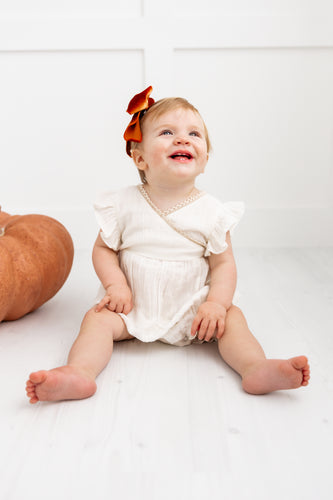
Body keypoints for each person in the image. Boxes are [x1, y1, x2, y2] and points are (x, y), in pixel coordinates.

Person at [25, 86, 310, 403]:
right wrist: (116, 285)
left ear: (203, 161)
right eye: (167, 132)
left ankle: (255, 367)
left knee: (233, 320)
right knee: (96, 320)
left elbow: (224, 264)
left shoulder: (213, 212)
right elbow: (104, 249)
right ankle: (79, 372)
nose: (183, 139)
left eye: (194, 134)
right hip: (133, 304)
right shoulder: (122, 204)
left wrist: (215, 303)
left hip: (194, 307)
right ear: (140, 157)